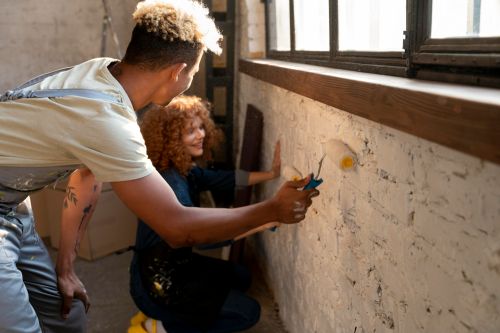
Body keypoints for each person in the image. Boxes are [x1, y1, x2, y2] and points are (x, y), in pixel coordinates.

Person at [0, 1, 319, 332]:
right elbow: (177, 228)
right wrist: (272, 210)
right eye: (192, 75)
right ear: (177, 72)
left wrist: (66, 269)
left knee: (68, 316)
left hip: (13, 203)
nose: (190, 82)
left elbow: (87, 172)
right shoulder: (109, 121)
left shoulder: (103, 72)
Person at [129, 95, 281, 333]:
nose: (201, 134)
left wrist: (271, 174)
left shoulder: (184, 169)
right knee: (248, 313)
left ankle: (179, 318)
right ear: (170, 139)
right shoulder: (171, 182)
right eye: (191, 131)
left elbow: (226, 179)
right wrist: (259, 222)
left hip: (177, 264)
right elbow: (202, 237)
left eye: (201, 127)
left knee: (241, 277)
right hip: (157, 282)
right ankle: (162, 327)